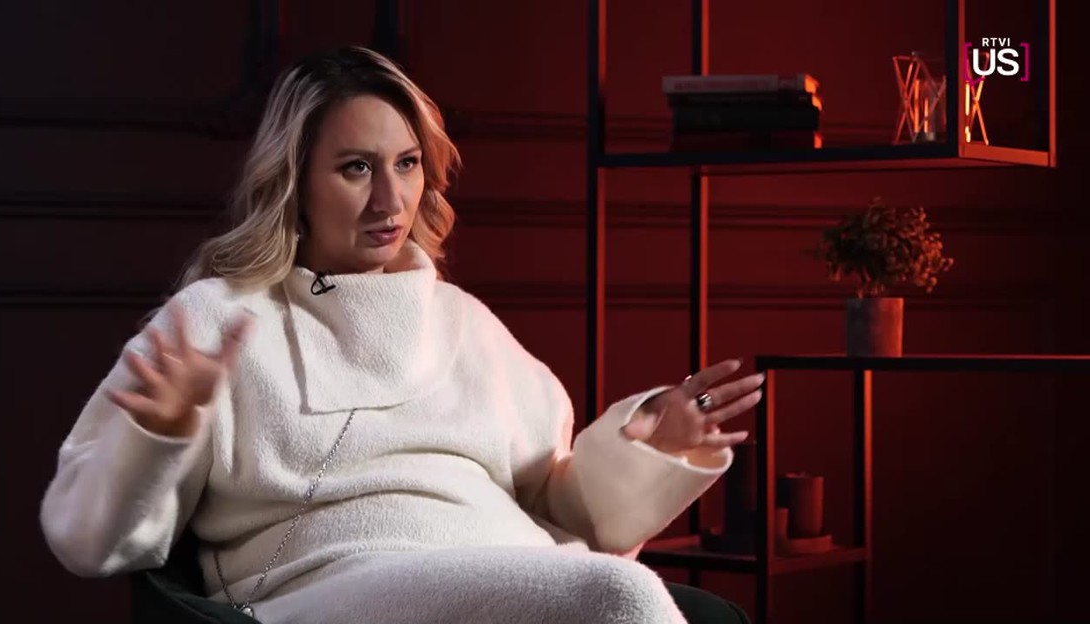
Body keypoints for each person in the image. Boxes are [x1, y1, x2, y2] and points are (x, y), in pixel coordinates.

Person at [39, 46, 764, 624]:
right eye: (356, 168)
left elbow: (562, 508)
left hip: (516, 571)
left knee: (614, 589)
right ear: (294, 180)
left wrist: (647, 448)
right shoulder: (215, 321)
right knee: (622, 596)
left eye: (407, 164)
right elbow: (87, 539)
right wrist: (156, 437)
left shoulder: (463, 320)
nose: (390, 200)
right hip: (328, 586)